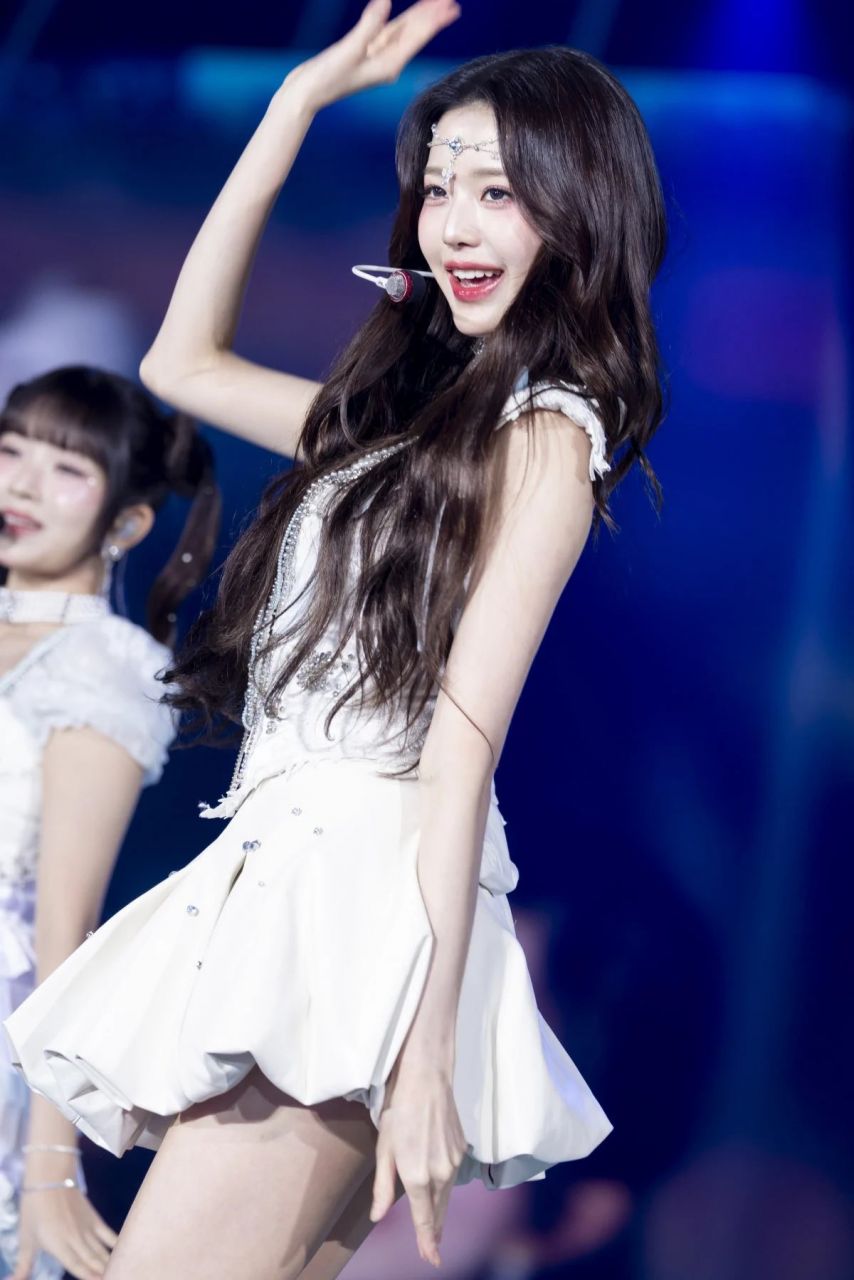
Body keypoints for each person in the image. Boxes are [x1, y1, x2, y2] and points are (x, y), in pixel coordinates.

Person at [4, 1, 668, 1276]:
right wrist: (293, 106)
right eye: (438, 188)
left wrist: (424, 1056)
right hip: (298, 887)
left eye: (496, 192)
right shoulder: (408, 437)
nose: (453, 224)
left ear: (576, 210)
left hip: (360, 911)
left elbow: (461, 752)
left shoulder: (548, 433)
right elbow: (182, 365)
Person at [0, 365, 220, 1280]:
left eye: (66, 469)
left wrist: (50, 1169)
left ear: (127, 524)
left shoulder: (100, 666)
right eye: (11, 451)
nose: (21, 485)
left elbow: (68, 932)